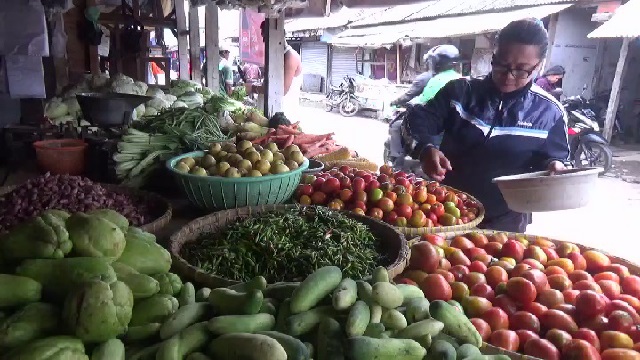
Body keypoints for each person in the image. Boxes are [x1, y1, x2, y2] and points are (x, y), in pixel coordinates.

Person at [406, 18, 569, 233]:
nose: (508, 76)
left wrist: (555, 166)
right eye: (501, 65)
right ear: (494, 56)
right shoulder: (459, 92)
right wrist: (425, 149)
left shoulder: (550, 112)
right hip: (446, 211)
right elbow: (416, 119)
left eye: (521, 70)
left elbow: (555, 157)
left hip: (507, 220)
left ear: (538, 66)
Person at [388, 45, 462, 167]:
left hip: (433, 130)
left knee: (397, 126)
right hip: (452, 131)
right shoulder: (461, 79)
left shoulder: (433, 79)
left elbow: (421, 105)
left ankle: (398, 164)